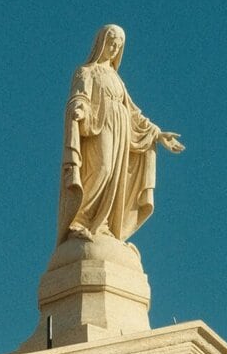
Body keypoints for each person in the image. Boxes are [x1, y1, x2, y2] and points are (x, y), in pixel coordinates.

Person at [57, 25, 183, 245]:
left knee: (115, 175)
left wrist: (157, 134)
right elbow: (80, 97)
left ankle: (102, 224)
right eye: (111, 42)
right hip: (100, 125)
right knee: (102, 168)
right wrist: (78, 108)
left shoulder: (117, 80)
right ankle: (80, 221)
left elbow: (134, 112)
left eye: (118, 45)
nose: (114, 48)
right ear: (101, 43)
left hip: (120, 130)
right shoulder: (86, 71)